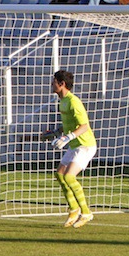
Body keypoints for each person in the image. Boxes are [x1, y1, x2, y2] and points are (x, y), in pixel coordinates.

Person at [41, 70, 97, 229]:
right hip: (74, 144)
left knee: (70, 177)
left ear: (61, 84)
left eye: (53, 82)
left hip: (85, 145)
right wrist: (56, 133)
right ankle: (74, 209)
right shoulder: (62, 101)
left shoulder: (73, 102)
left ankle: (86, 213)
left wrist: (67, 138)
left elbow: (84, 126)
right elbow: (69, 125)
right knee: (60, 175)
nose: (52, 85)